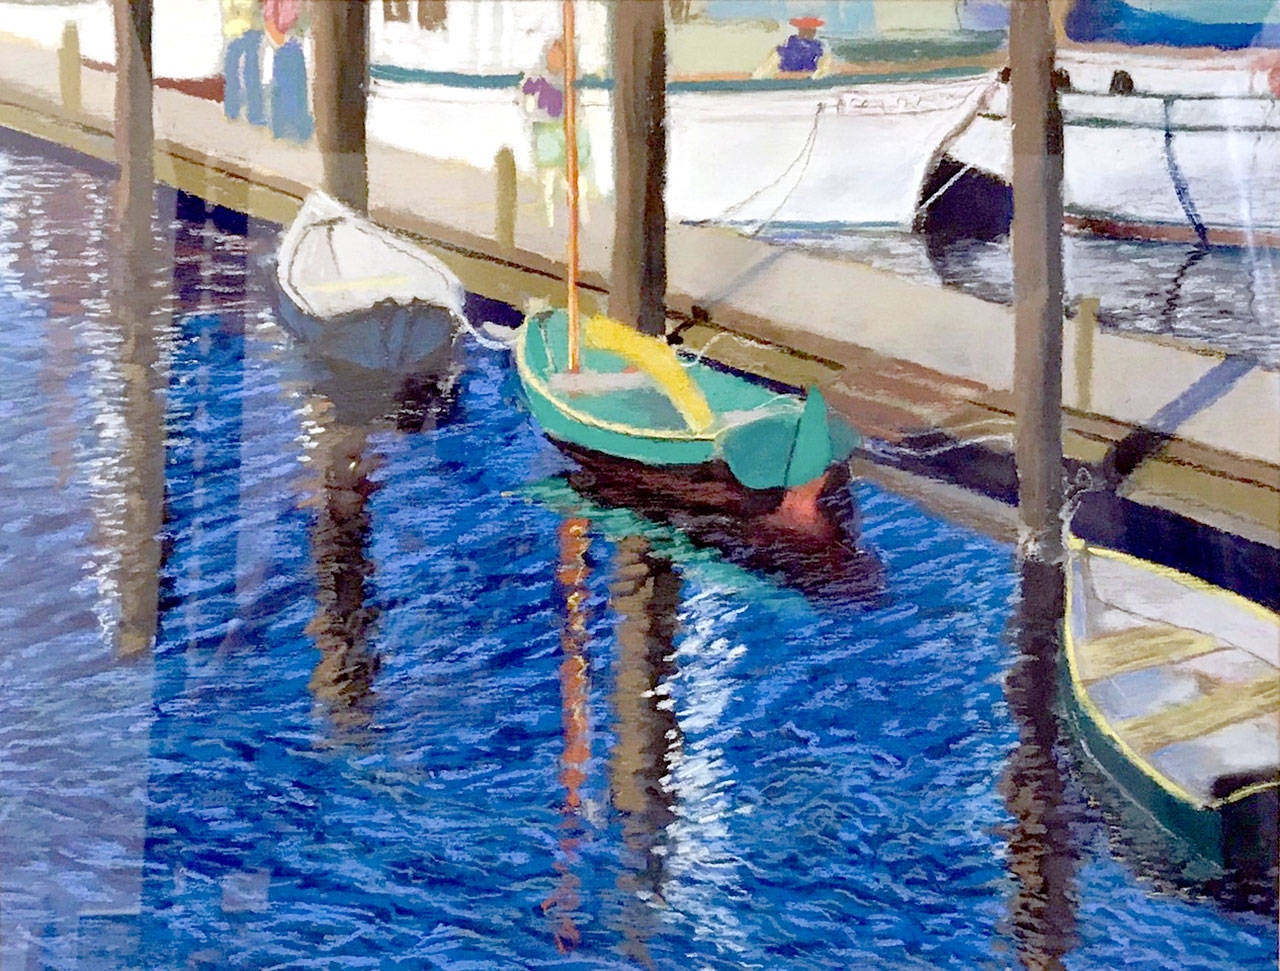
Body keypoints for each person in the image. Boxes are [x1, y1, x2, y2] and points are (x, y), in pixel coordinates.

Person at [519, 39, 591, 227]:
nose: (554, 57)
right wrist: (530, 114)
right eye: (552, 53)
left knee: (574, 180)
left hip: (570, 128)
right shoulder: (538, 76)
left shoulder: (574, 77)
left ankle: (580, 220)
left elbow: (579, 100)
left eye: (558, 54)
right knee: (547, 181)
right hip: (546, 129)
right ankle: (547, 223)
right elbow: (525, 94)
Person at [264, 0, 313, 142]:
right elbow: (269, 18)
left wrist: (298, 37)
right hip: (284, 43)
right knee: (285, 86)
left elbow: (306, 17)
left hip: (294, 43)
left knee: (295, 86)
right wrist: (281, 42)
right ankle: (285, 128)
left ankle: (292, 128)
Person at [222, 0, 265, 125]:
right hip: (236, 33)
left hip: (253, 32)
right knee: (232, 71)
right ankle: (232, 108)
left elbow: (263, 9)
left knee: (251, 73)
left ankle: (255, 114)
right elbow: (228, 10)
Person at [754, 15, 835, 79]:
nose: (810, 32)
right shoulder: (787, 46)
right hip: (791, 76)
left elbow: (823, 70)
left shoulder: (818, 48)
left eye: (811, 30)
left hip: (796, 76)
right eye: (807, 29)